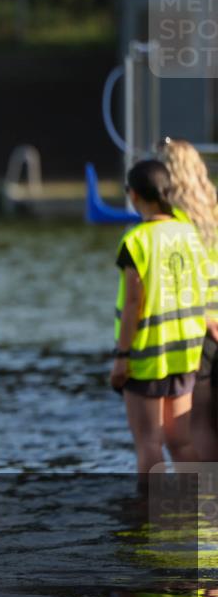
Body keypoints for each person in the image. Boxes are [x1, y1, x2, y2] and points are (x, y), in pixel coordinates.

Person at [110, 159, 207, 479]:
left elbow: (134, 304)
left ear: (134, 195)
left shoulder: (136, 242)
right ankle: (203, 511)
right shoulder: (190, 232)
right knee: (180, 441)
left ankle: (151, 521)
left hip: (148, 355)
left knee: (148, 442)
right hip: (186, 353)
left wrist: (122, 357)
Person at [157, 137, 218, 462]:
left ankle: (207, 507)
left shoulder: (173, 223)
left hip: (198, 330)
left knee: (198, 424)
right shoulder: (215, 211)